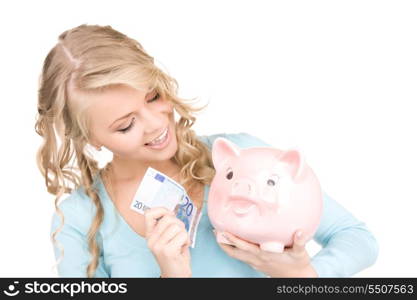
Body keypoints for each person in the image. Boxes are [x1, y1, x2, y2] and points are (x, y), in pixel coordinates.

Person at [35, 24, 378, 278]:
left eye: (153, 96)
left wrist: (302, 277)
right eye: (126, 125)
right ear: (89, 138)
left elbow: (356, 238)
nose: (156, 124)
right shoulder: (78, 220)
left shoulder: (239, 157)